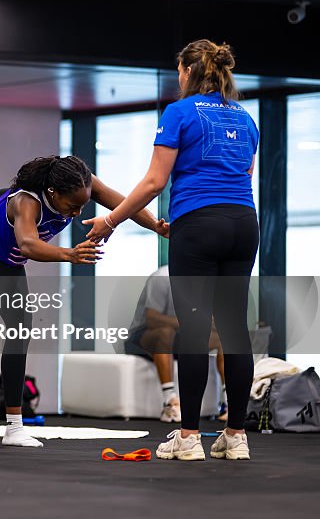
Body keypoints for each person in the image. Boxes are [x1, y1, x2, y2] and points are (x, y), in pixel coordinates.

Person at [0, 155, 167, 446]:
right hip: (0, 240)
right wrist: (68, 254)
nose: (77, 212)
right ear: (52, 193)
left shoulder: (80, 182)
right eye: (71, 205)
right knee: (19, 325)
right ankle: (13, 427)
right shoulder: (27, 203)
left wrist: (157, 227)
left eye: (83, 204)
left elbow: (124, 203)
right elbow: (27, 244)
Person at [85, 39, 258, 461]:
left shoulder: (179, 112)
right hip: (243, 223)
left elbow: (154, 182)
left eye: (179, 70)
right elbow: (244, 173)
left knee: (194, 331)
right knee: (235, 330)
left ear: (186, 72)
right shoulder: (246, 117)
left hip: (198, 225)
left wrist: (110, 220)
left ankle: (188, 437)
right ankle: (235, 435)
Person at [125, 265, 227, 423]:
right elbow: (152, 320)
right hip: (143, 336)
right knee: (165, 332)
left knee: (223, 339)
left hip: (180, 335)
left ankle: (229, 403)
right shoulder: (162, 277)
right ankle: (169, 401)